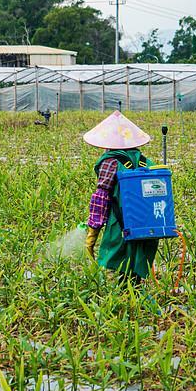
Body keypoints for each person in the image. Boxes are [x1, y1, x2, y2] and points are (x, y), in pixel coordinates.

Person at [83, 110, 159, 282]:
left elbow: (101, 198)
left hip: (121, 225)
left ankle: (125, 302)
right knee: (135, 269)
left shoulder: (110, 162)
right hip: (146, 223)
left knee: (117, 267)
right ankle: (134, 298)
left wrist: (92, 233)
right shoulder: (145, 161)